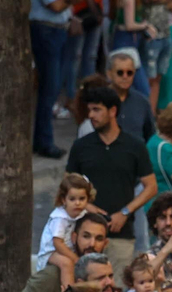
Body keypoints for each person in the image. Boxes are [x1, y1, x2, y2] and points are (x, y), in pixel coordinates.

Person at [66, 86, 158, 278]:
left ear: (113, 111)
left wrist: (125, 212)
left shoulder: (134, 146)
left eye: (97, 110)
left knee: (115, 289)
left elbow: (151, 187)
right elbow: (67, 186)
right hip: (85, 235)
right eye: (89, 110)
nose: (91, 115)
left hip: (121, 233)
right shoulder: (82, 146)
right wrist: (88, 207)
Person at [30, 0, 81, 157]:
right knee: (49, 86)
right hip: (45, 30)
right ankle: (44, 141)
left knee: (55, 84)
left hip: (60, 30)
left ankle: (43, 138)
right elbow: (55, 4)